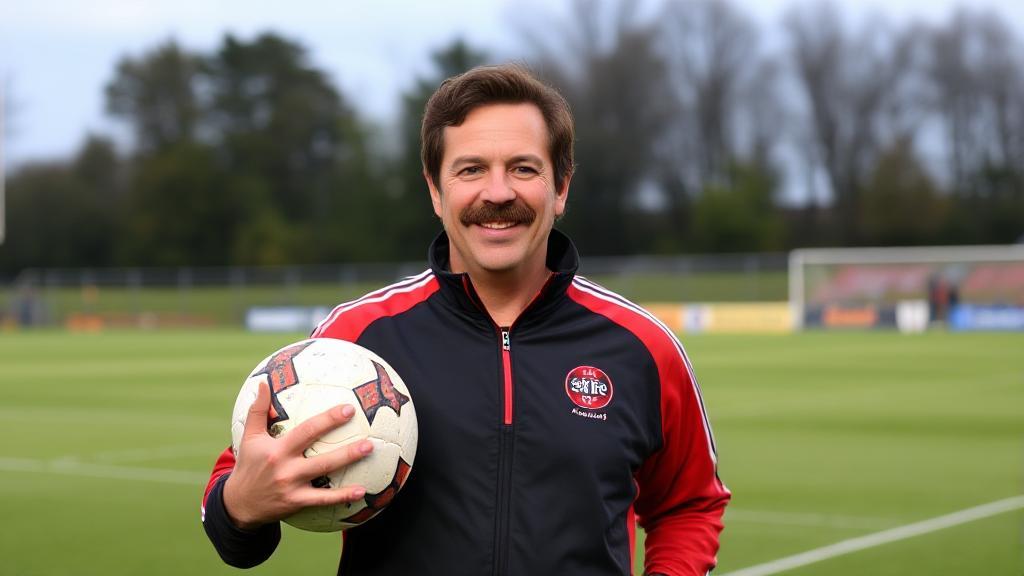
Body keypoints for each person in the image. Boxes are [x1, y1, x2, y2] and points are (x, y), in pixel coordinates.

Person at [202, 64, 730, 576]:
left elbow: (690, 505)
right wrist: (240, 506)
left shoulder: (643, 347)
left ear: (561, 187)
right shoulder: (358, 339)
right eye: (470, 169)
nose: (497, 193)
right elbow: (238, 492)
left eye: (523, 168)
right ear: (436, 190)